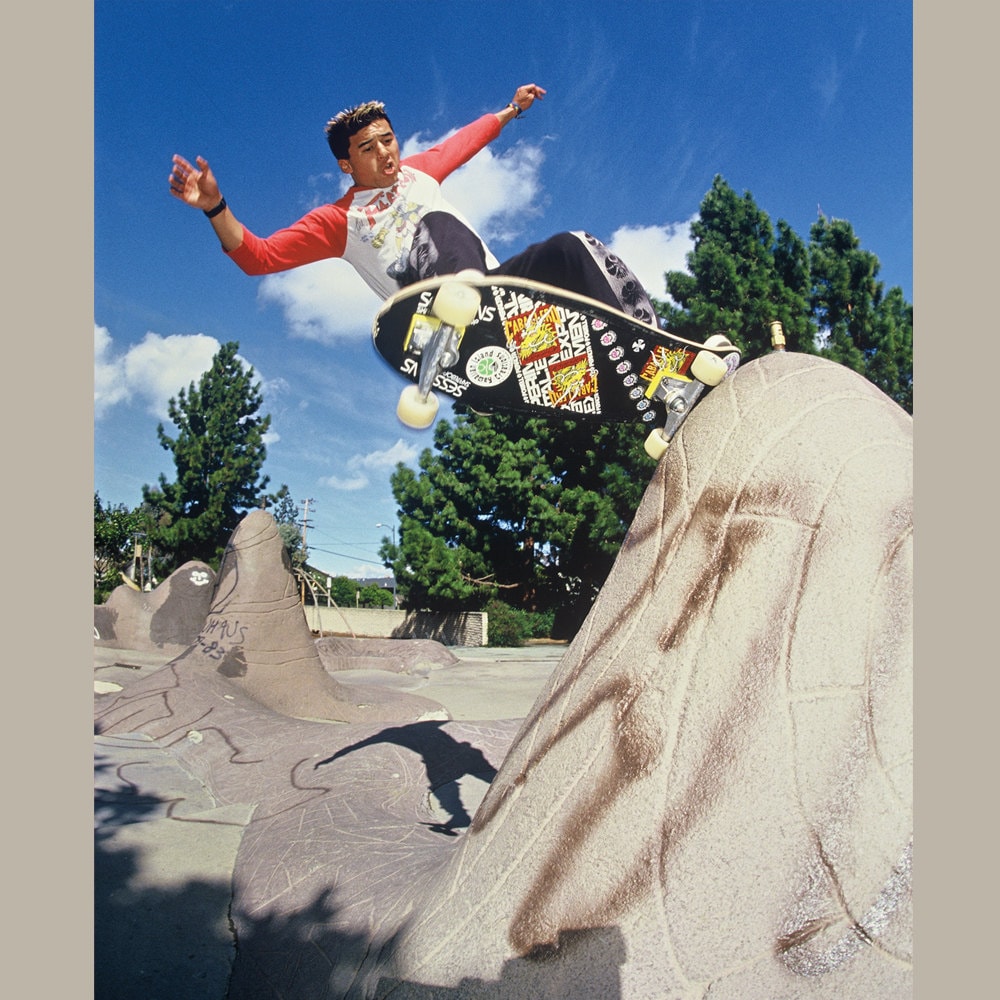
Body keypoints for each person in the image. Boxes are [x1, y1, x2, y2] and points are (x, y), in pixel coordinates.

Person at [169, 84, 657, 326]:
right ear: (346, 164)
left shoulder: (419, 170)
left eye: (389, 140)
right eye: (368, 148)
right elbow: (261, 257)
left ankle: (652, 347)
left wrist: (512, 109)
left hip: (499, 299)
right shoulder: (338, 221)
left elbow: (466, 140)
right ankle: (466, 302)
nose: (386, 154)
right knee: (436, 222)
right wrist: (216, 207)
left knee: (575, 246)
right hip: (434, 321)